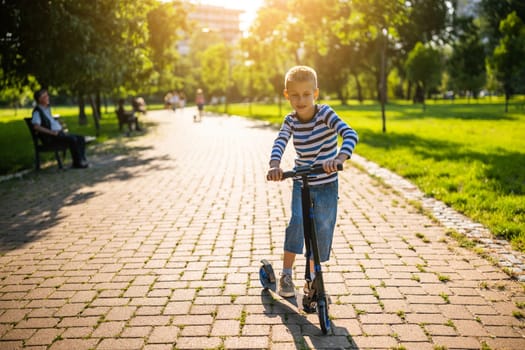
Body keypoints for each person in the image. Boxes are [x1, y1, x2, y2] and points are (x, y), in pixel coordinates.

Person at [266, 66, 358, 298]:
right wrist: (275, 165)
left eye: (306, 94)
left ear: (315, 94)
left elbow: (350, 134)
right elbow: (280, 141)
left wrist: (339, 157)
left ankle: (312, 279)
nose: (301, 100)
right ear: (287, 95)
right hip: (302, 181)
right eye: (294, 95)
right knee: (298, 222)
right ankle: (286, 273)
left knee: (322, 229)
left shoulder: (325, 113)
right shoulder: (291, 121)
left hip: (327, 182)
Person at [31, 88, 89, 169]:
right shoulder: (37, 111)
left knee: (80, 138)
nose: (48, 97)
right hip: (51, 138)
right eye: (45, 96)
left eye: (47, 95)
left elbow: (49, 122)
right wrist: (52, 132)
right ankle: (77, 163)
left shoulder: (46, 109)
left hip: (58, 134)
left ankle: (81, 160)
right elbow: (36, 127)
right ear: (40, 99)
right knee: (73, 139)